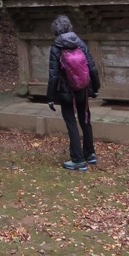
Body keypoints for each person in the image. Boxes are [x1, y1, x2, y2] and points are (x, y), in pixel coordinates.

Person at [46, 15, 100, 172]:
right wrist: (95, 87)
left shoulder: (56, 47)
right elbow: (92, 66)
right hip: (83, 88)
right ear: (69, 27)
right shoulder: (80, 43)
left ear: (55, 30)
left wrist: (50, 97)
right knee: (85, 119)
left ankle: (77, 160)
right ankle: (90, 154)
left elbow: (53, 75)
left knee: (71, 122)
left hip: (67, 91)